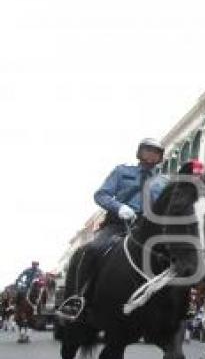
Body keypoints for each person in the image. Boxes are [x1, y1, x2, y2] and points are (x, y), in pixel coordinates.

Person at [59, 138, 167, 318]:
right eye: (147, 150)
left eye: (155, 152)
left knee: (172, 257)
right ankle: (79, 298)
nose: (150, 155)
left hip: (148, 229)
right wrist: (120, 208)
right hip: (118, 224)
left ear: (160, 157)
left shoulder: (164, 182)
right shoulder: (122, 171)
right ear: (139, 153)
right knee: (93, 249)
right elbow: (101, 195)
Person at [13, 261, 44, 343]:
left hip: (36, 286)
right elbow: (21, 276)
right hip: (27, 287)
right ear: (32, 265)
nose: (35, 266)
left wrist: (41, 282)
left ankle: (38, 310)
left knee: (41, 295)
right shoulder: (27, 270)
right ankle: (16, 306)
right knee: (19, 293)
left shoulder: (40, 271)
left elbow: (42, 279)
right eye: (34, 264)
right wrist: (19, 281)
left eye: (36, 265)